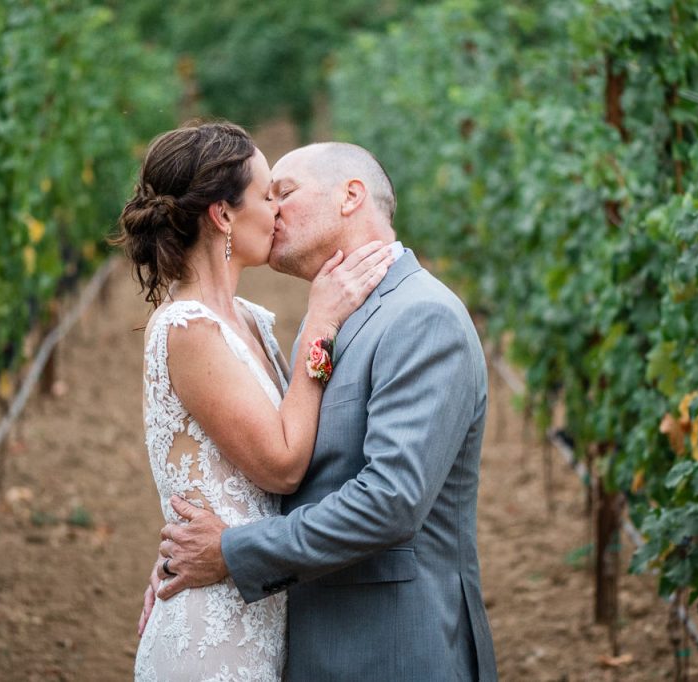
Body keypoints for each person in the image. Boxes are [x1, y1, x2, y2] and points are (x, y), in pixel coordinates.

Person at [145, 141, 500, 681]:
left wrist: (230, 551)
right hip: (312, 642)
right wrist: (183, 553)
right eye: (265, 196)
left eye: (283, 192)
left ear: (350, 197)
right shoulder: (331, 319)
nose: (272, 211)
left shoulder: (422, 317)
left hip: (391, 652)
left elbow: (390, 501)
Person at [114, 122, 393, 681]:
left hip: (254, 600)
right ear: (223, 215)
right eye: (267, 196)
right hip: (212, 633)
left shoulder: (250, 320)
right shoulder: (188, 329)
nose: (278, 211)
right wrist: (321, 324)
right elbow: (283, 465)